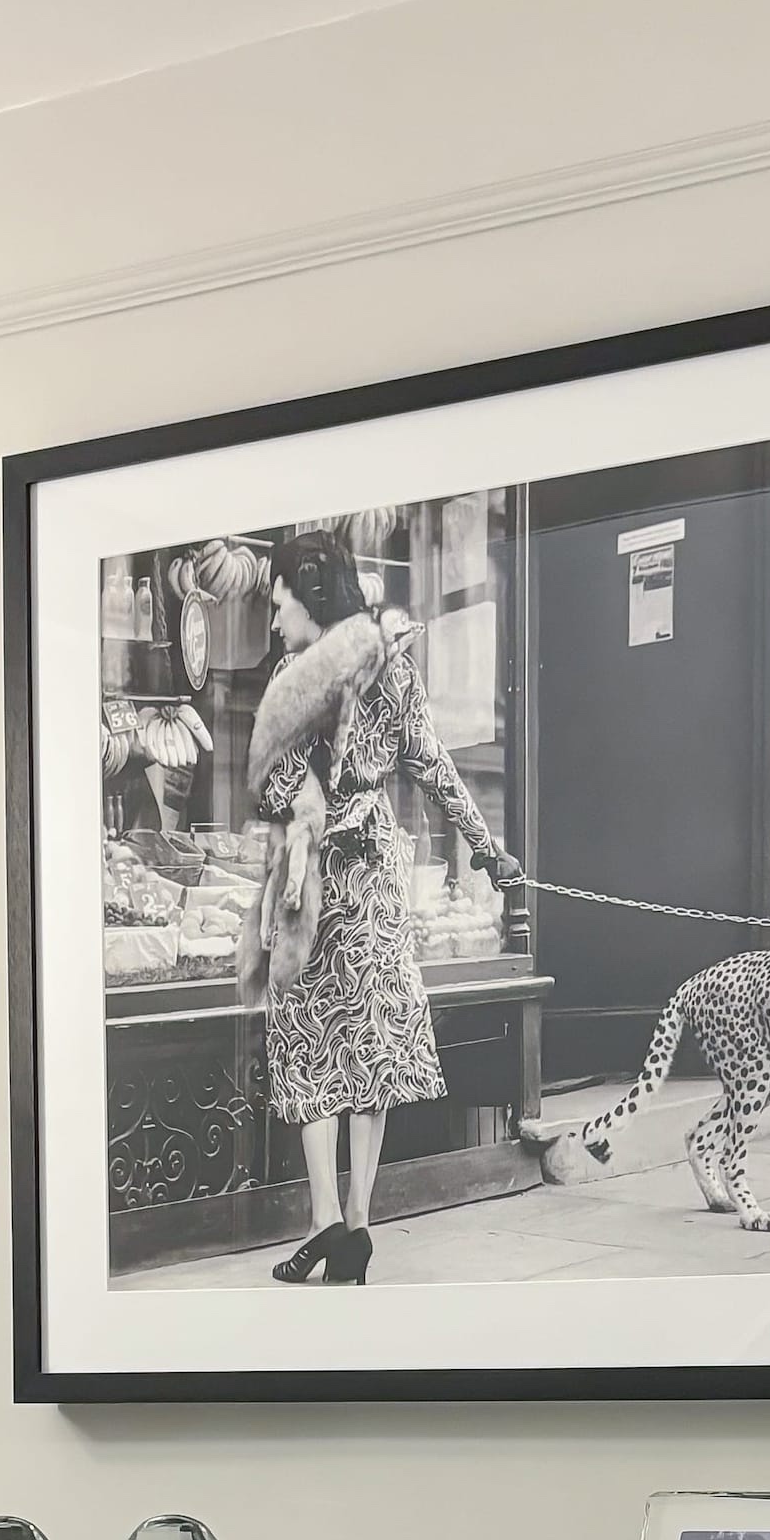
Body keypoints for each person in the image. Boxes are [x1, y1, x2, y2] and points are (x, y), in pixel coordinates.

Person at [246, 527, 523, 1285]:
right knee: (368, 1044)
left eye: (279, 606)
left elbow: (275, 793)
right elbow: (434, 768)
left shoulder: (295, 678)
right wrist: (488, 852)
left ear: (311, 601)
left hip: (311, 880)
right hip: (372, 875)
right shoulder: (393, 670)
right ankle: (355, 1225)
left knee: (308, 1042)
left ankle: (325, 1221)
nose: (273, 621)